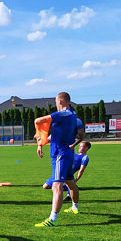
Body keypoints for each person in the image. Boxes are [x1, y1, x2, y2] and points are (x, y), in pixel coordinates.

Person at [34, 92, 80, 227]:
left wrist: (38, 133)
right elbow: (55, 134)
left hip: (61, 154)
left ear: (60, 101)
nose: (55, 104)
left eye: (55, 102)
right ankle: (75, 206)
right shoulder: (72, 115)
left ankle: (52, 218)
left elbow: (38, 120)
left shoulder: (62, 114)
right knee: (70, 183)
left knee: (56, 185)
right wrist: (41, 143)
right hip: (66, 153)